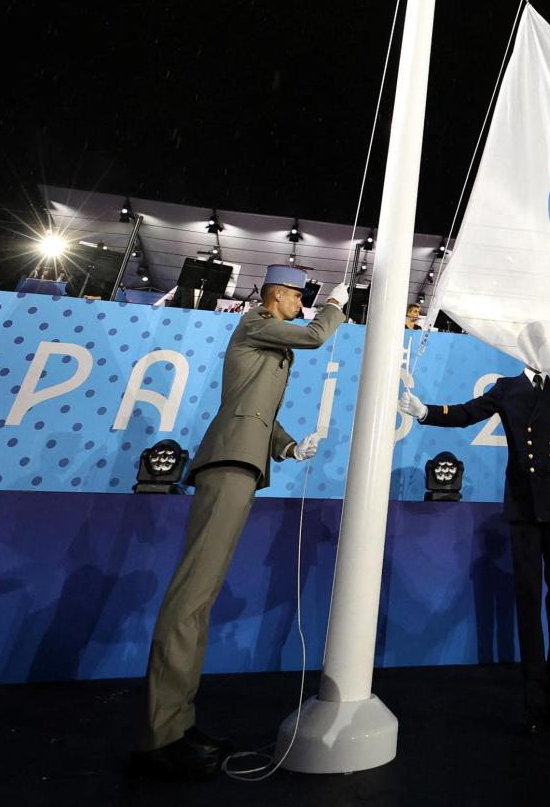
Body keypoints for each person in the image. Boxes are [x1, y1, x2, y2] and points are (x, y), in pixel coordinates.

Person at [134, 265, 349, 779]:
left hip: (242, 463)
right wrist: (337, 306)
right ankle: (161, 735)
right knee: (192, 596)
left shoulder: (269, 346)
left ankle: (179, 725)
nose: (304, 305)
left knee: (201, 599)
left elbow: (258, 411)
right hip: (227, 463)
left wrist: (291, 446)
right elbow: (318, 336)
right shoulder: (255, 322)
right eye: (299, 297)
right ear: (278, 295)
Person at [399, 363, 550, 735]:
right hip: (524, 508)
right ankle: (536, 707)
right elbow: (469, 413)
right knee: (529, 605)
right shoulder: (507, 388)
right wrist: (426, 412)